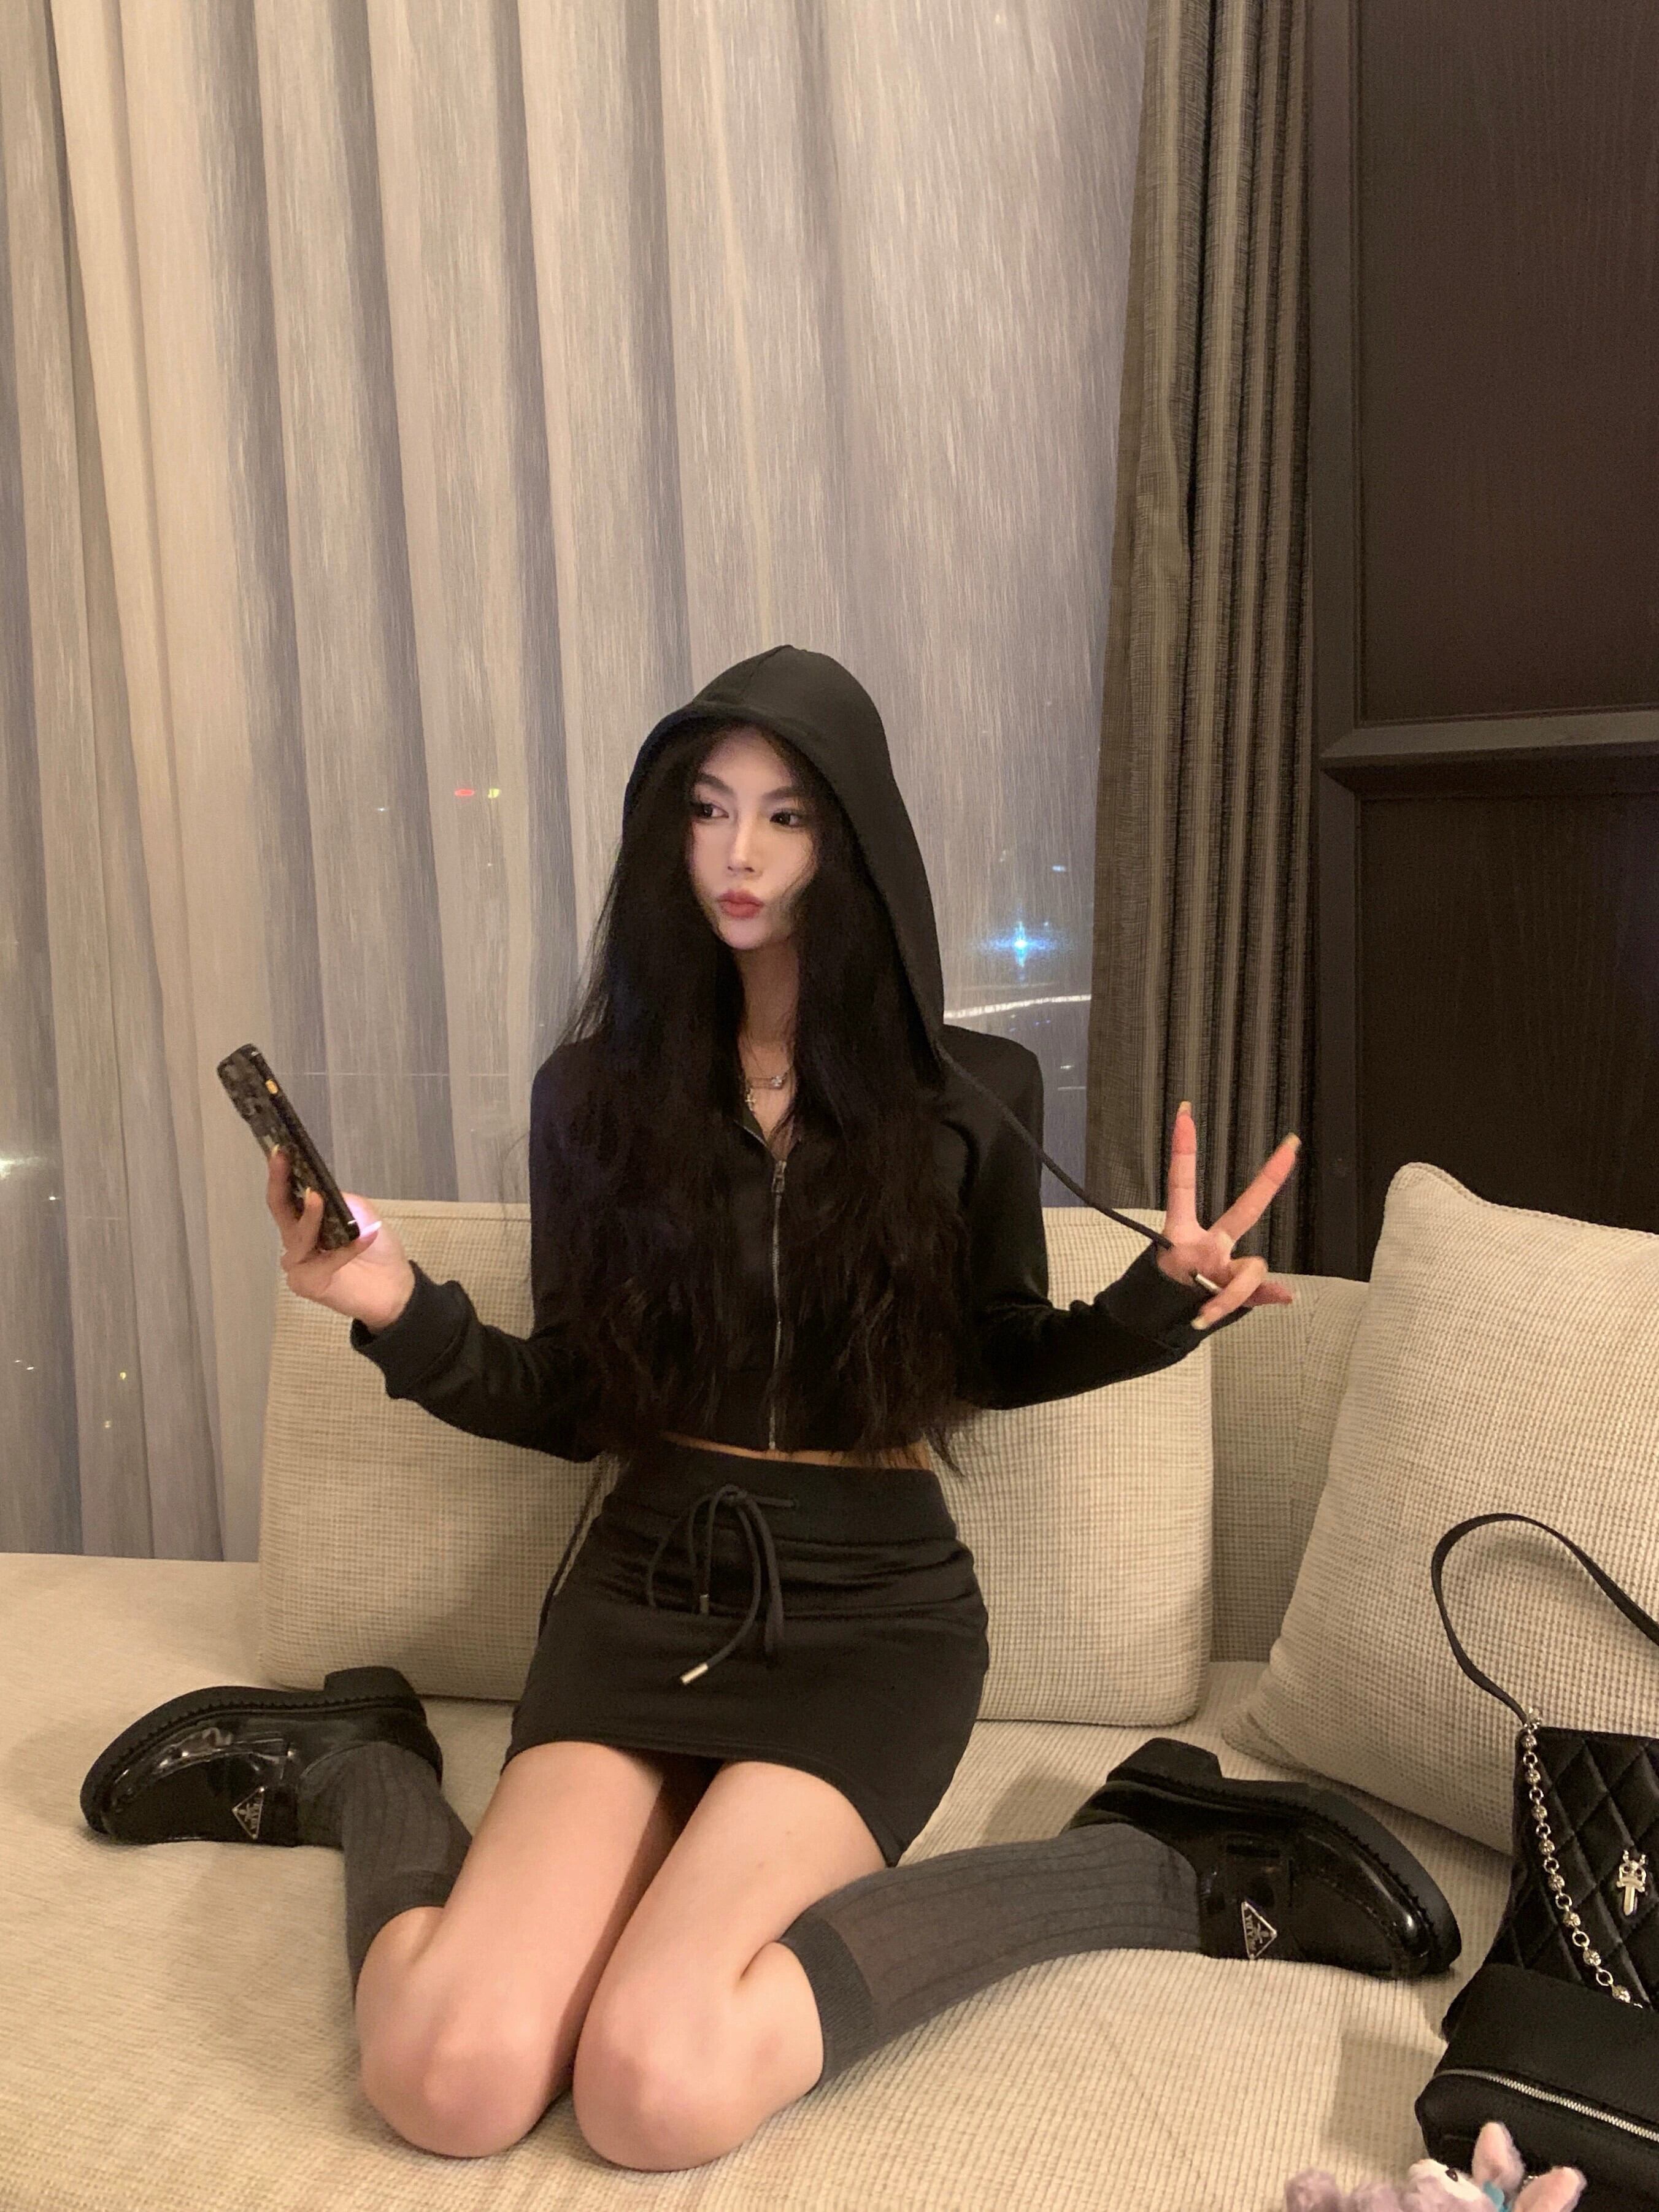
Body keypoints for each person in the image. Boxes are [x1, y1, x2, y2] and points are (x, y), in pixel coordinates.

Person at [82, 647, 1457, 2172]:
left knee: (653, 2087)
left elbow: (989, 1356)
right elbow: (574, 1401)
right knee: (443, 2078)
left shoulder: (968, 1092)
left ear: (846, 841)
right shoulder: (593, 1094)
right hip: (643, 1589)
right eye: (706, 809)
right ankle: (364, 1767)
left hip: (871, 1618)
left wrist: (1151, 1310)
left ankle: (1147, 1862)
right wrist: (393, 1304)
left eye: (785, 816)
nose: (738, 853)